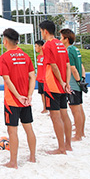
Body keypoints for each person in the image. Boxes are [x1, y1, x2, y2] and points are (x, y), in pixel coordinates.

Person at [0, 28, 37, 168]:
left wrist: (18, 96)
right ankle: (32, 157)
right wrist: (29, 95)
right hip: (26, 100)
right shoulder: (25, 56)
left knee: (12, 131)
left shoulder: (3, 58)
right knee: (28, 128)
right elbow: (33, 77)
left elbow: (7, 80)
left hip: (12, 100)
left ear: (6, 40)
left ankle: (13, 162)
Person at [39, 20, 73, 155]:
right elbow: (67, 65)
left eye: (41, 31)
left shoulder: (47, 45)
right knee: (64, 114)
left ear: (45, 31)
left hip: (53, 85)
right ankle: (68, 145)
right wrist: (66, 82)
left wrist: (61, 81)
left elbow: (53, 65)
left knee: (55, 116)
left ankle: (61, 148)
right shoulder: (61, 44)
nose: (41, 33)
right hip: (63, 85)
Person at [60, 29, 87, 141]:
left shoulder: (68, 50)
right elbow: (81, 66)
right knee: (80, 108)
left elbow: (73, 68)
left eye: (61, 37)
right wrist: (82, 79)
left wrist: (77, 81)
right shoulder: (76, 49)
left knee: (75, 109)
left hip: (73, 83)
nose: (60, 40)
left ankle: (78, 135)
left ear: (66, 39)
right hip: (78, 82)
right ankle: (81, 131)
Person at [35, 40, 48, 114]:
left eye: (36, 46)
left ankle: (50, 108)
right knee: (42, 94)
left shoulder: (45, 56)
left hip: (45, 79)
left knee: (47, 95)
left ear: (40, 47)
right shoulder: (38, 56)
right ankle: (45, 107)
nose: (35, 48)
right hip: (39, 78)